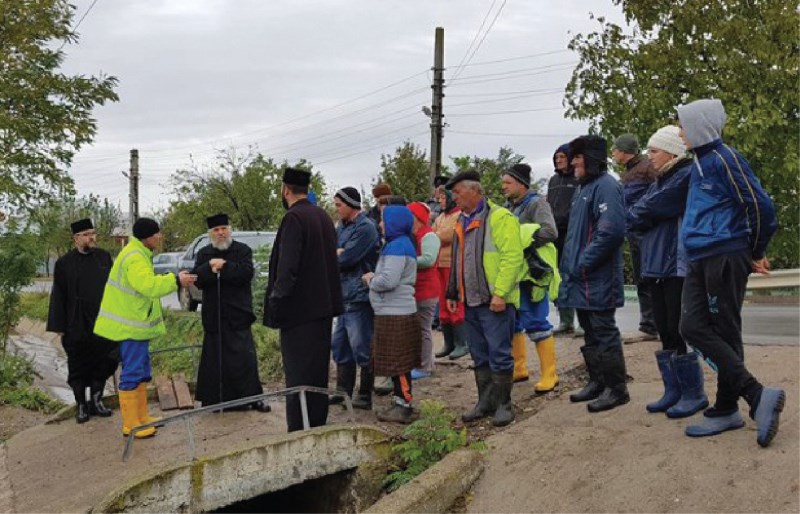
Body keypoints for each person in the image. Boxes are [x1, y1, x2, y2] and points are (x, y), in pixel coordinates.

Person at [676, 98, 784, 447]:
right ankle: (751, 396)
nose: (680, 132)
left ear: (699, 126)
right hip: (700, 256)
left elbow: (760, 205)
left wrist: (755, 250)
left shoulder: (725, 159)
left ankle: (728, 408)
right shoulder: (699, 164)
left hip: (724, 253)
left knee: (723, 328)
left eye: (683, 125)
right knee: (693, 326)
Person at [627, 126, 709, 418]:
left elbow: (647, 210)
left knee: (677, 329)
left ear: (672, 151)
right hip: (656, 264)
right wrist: (643, 213)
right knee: (664, 330)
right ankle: (673, 389)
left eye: (654, 151)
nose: (649, 158)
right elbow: (639, 214)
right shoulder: (659, 180)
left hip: (676, 265)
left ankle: (693, 393)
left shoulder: (684, 175)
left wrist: (643, 213)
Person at [94, 218, 196, 438]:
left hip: (135, 326)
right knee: (132, 373)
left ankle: (141, 418)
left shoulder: (138, 253)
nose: (159, 237)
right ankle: (131, 424)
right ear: (147, 237)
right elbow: (148, 287)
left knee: (140, 372)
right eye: (156, 234)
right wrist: (176, 280)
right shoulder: (135, 258)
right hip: (130, 328)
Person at [264, 167, 343, 432]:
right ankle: (317, 425)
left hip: (299, 313)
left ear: (285, 190)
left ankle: (299, 430)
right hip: (322, 310)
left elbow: (288, 268)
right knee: (317, 373)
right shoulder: (322, 216)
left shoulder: (294, 219)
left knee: (298, 375)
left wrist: (276, 301)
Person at [445, 170, 523, 427]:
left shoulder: (501, 217)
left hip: (494, 301)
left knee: (499, 353)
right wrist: (453, 292)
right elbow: (457, 260)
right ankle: (485, 402)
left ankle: (504, 405)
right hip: (471, 301)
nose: (453, 197)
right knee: (479, 354)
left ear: (474, 190)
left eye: (457, 192)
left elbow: (512, 258)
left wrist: (500, 293)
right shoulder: (461, 221)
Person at [560, 135, 630, 413]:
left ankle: (617, 388)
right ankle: (597, 381)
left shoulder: (607, 186)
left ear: (590, 158)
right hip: (582, 278)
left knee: (604, 331)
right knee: (589, 331)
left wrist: (582, 264)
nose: (573, 162)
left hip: (597, 277)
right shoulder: (583, 188)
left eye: (577, 157)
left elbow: (610, 232)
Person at [191, 213, 270, 412]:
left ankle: (252, 398)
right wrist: (210, 268)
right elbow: (197, 280)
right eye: (216, 230)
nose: (220, 233)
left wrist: (225, 267)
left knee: (244, 358)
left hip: (238, 313)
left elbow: (246, 273)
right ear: (211, 233)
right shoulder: (204, 254)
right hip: (214, 315)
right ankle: (213, 400)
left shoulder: (242, 250)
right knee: (214, 359)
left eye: (223, 229)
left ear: (229, 230)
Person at [47, 218, 118, 423]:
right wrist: (59, 326)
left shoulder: (104, 257)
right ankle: (81, 405)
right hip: (76, 324)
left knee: (105, 360)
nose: (91, 237)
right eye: (87, 234)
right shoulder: (64, 263)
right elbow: (58, 295)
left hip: (103, 321)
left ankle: (97, 401)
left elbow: (114, 289)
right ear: (76, 238)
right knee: (78, 365)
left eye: (93, 233)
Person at [501, 164, 560, 392]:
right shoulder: (509, 206)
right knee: (514, 321)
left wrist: (522, 239)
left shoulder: (537, 203)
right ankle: (520, 369)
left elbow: (550, 231)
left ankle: (550, 375)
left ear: (521, 184)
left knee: (536, 321)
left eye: (507, 182)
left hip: (532, 275)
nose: (503, 186)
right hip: (515, 274)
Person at [362, 205, 421, 424]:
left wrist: (371, 280)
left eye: (384, 221)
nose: (380, 224)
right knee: (397, 360)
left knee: (399, 361)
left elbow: (389, 280)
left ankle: (403, 405)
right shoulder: (399, 244)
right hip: (392, 310)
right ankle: (400, 401)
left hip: (396, 312)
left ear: (395, 223)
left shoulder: (397, 247)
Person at [330, 187, 381, 410]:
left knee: (362, 345)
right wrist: (337, 252)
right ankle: (343, 392)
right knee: (340, 346)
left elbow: (346, 258)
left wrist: (340, 253)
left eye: (339, 205)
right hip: (342, 295)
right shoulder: (341, 226)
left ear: (351, 204)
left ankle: (365, 394)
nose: (336, 209)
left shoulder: (366, 228)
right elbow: (331, 252)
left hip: (359, 295)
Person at [612, 133, 659, 339]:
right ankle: (649, 324)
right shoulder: (629, 172)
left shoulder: (648, 167)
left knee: (650, 277)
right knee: (641, 277)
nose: (613, 153)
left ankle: (652, 325)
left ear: (624, 151)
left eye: (615, 149)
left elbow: (657, 194)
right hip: (634, 229)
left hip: (648, 230)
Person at [432, 185, 469, 360]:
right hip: (439, 264)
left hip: (452, 265)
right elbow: (435, 235)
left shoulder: (458, 216)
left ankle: (462, 343)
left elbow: (446, 236)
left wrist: (435, 235)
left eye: (442, 197)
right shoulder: (440, 217)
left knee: (455, 302)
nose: (439, 200)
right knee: (442, 303)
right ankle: (449, 342)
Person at [547, 143, 580, 336]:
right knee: (557, 277)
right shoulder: (553, 180)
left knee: (572, 274)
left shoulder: (577, 178)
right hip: (555, 233)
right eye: (556, 157)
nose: (559, 160)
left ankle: (581, 321)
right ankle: (565, 320)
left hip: (572, 232)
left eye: (562, 157)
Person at [407, 202, 441, 380]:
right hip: (417, 288)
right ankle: (423, 362)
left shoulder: (429, 236)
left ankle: (425, 366)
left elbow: (428, 259)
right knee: (419, 329)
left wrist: (405, 259)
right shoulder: (414, 235)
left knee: (423, 329)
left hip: (426, 290)